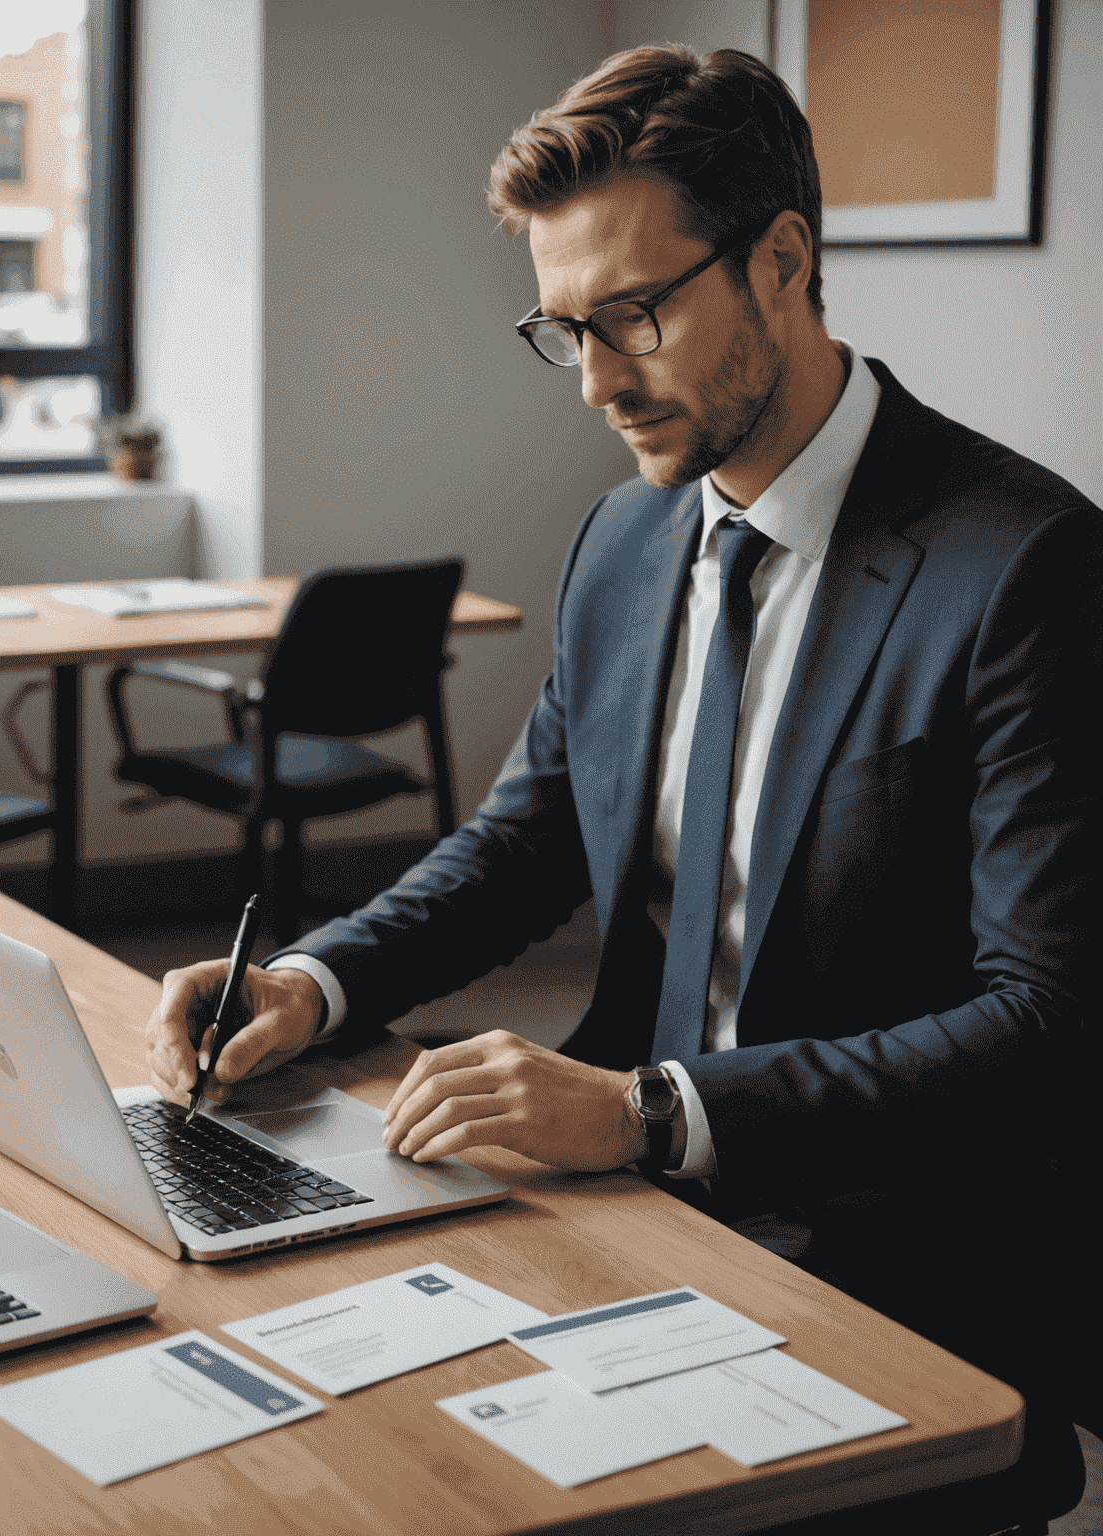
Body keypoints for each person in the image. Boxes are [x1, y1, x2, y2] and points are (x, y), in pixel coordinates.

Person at [144, 45, 1097, 1525]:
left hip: (890, 1257)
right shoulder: (628, 541)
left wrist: (655, 1111)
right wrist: (316, 984)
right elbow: (530, 841)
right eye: (563, 328)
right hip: (627, 1216)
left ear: (783, 262)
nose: (594, 382)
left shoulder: (1022, 566)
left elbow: (1044, 1018)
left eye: (635, 316)